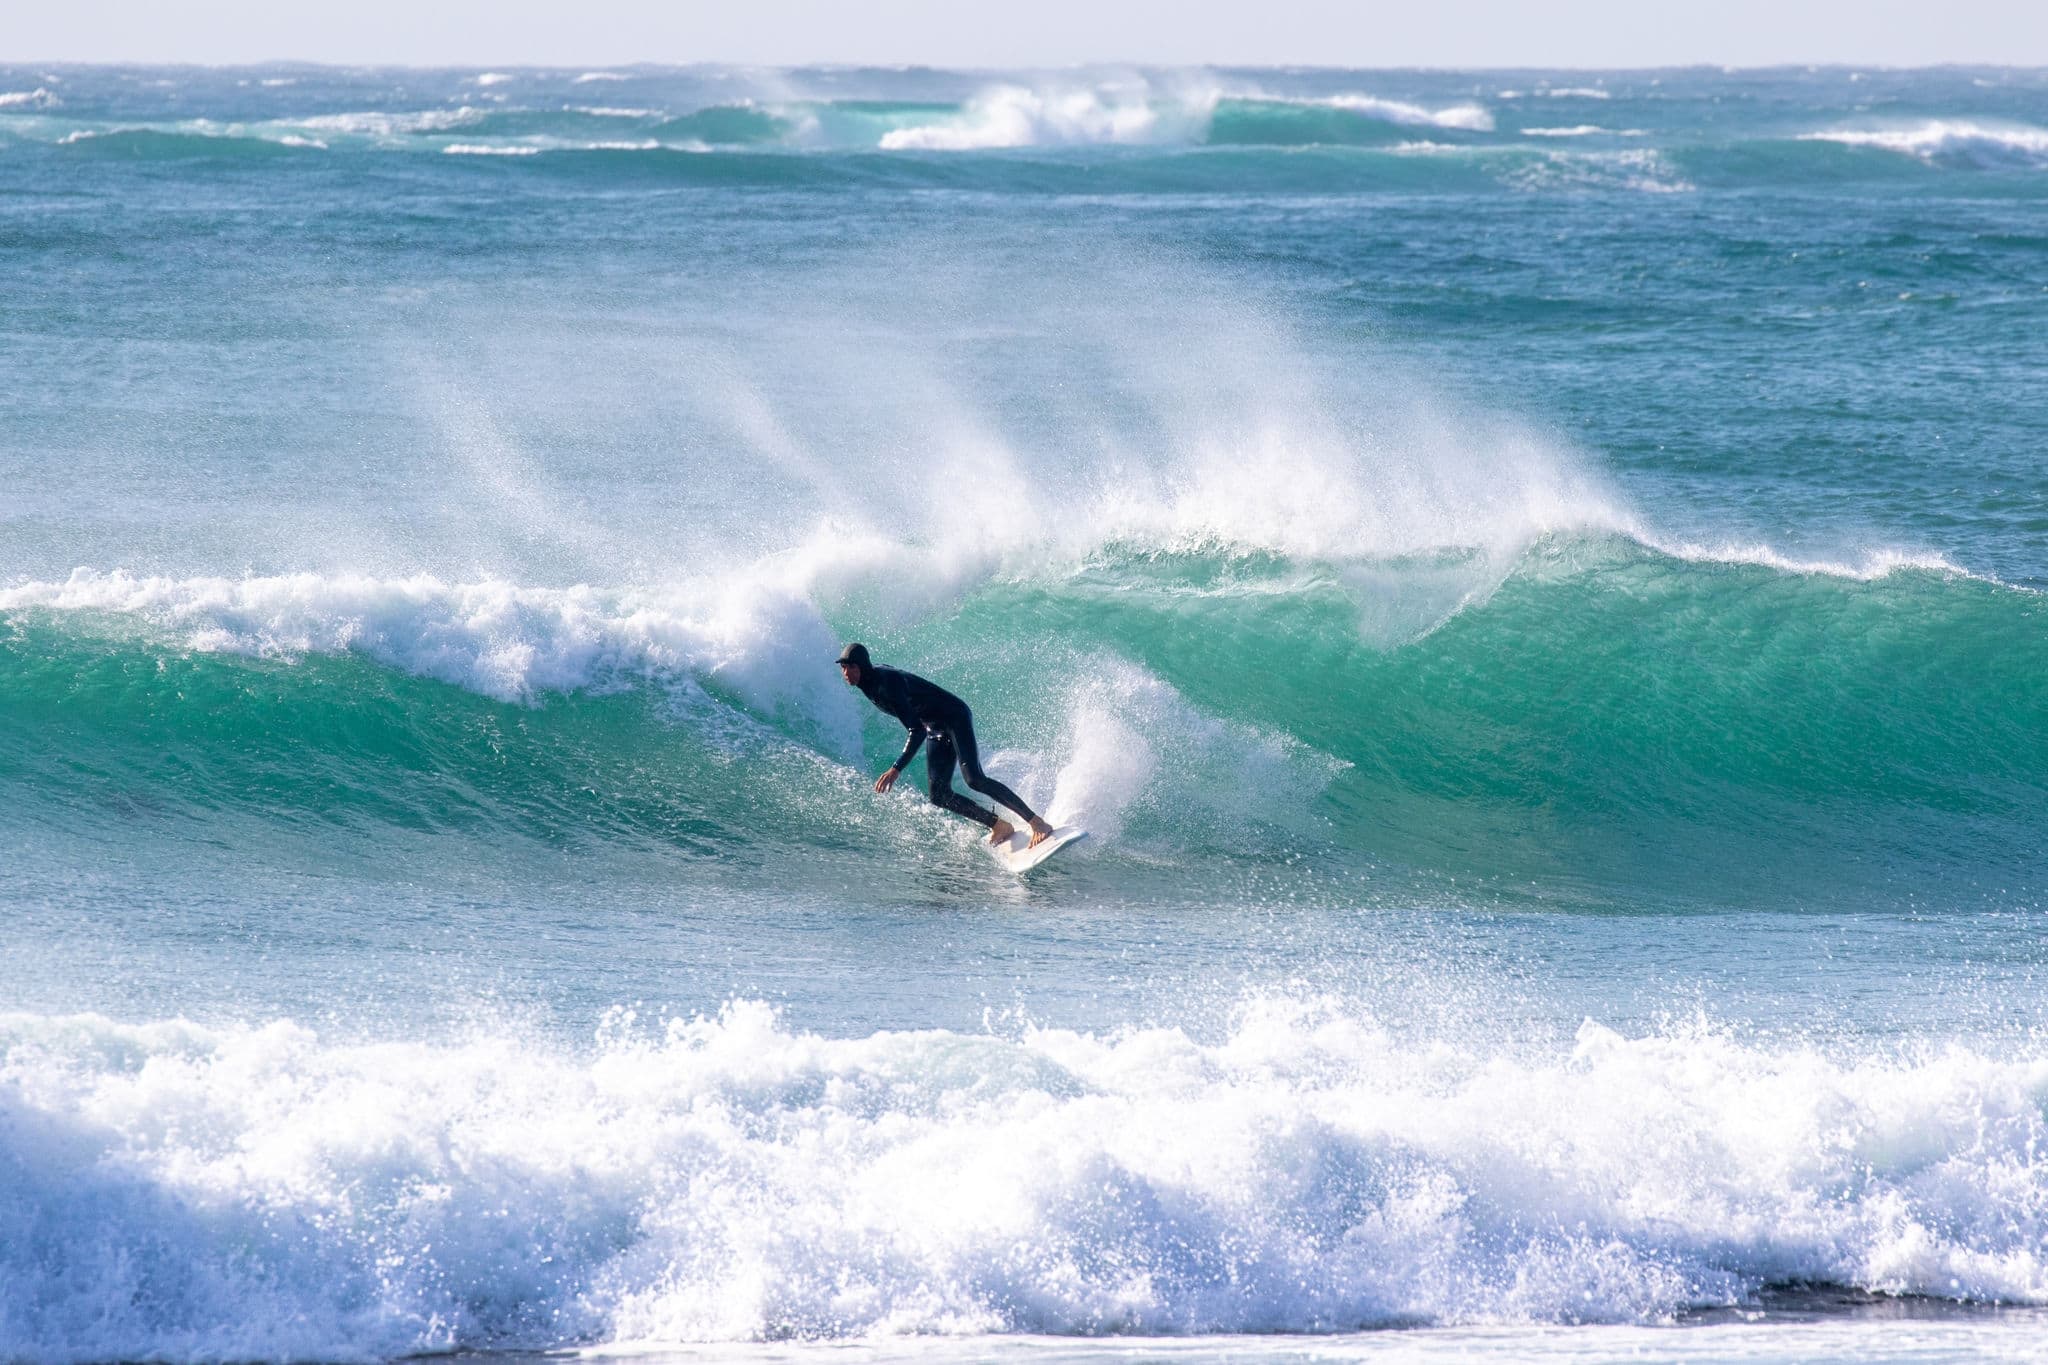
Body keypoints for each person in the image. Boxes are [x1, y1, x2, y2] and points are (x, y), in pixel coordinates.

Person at [837, 642, 1055, 849]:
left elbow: (916, 731)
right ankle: (999, 826)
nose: (846, 673)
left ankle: (1037, 823)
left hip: (953, 717)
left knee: (975, 779)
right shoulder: (867, 682)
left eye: (851, 668)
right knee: (939, 795)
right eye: (844, 668)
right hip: (934, 727)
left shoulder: (885, 685)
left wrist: (896, 768)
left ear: (862, 667)